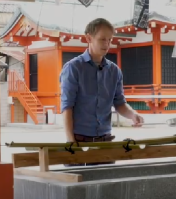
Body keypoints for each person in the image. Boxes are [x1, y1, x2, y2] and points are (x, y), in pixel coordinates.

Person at [60, 18, 144, 165]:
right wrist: (71, 143)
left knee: (108, 179)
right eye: (102, 39)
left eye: (110, 40)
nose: (107, 44)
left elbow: (120, 103)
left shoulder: (114, 71)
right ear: (88, 38)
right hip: (79, 141)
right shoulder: (73, 68)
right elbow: (67, 106)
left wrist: (133, 115)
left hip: (105, 141)